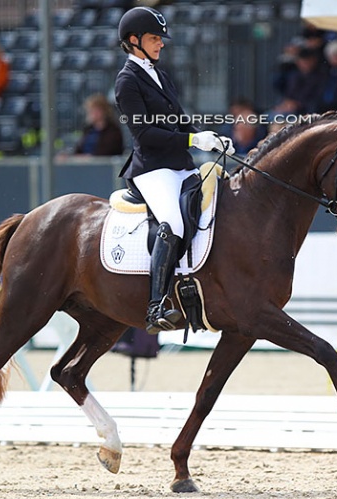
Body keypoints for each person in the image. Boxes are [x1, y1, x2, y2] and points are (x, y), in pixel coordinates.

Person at [114, 6, 234, 334]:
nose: (161, 44)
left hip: (180, 164)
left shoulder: (159, 74)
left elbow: (179, 120)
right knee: (173, 222)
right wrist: (194, 139)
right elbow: (144, 134)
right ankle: (156, 306)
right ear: (134, 40)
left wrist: (210, 139)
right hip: (153, 168)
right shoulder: (127, 81)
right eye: (154, 38)